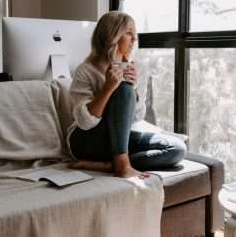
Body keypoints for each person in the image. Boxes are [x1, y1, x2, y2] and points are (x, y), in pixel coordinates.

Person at [67, 11, 186, 179]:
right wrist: (108, 88)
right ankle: (122, 166)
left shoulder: (138, 68)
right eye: (129, 33)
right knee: (123, 89)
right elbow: (84, 122)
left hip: (118, 140)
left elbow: (137, 117)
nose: (135, 39)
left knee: (176, 149)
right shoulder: (86, 70)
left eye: (135, 34)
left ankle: (110, 165)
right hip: (87, 141)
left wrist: (133, 89)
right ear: (112, 36)